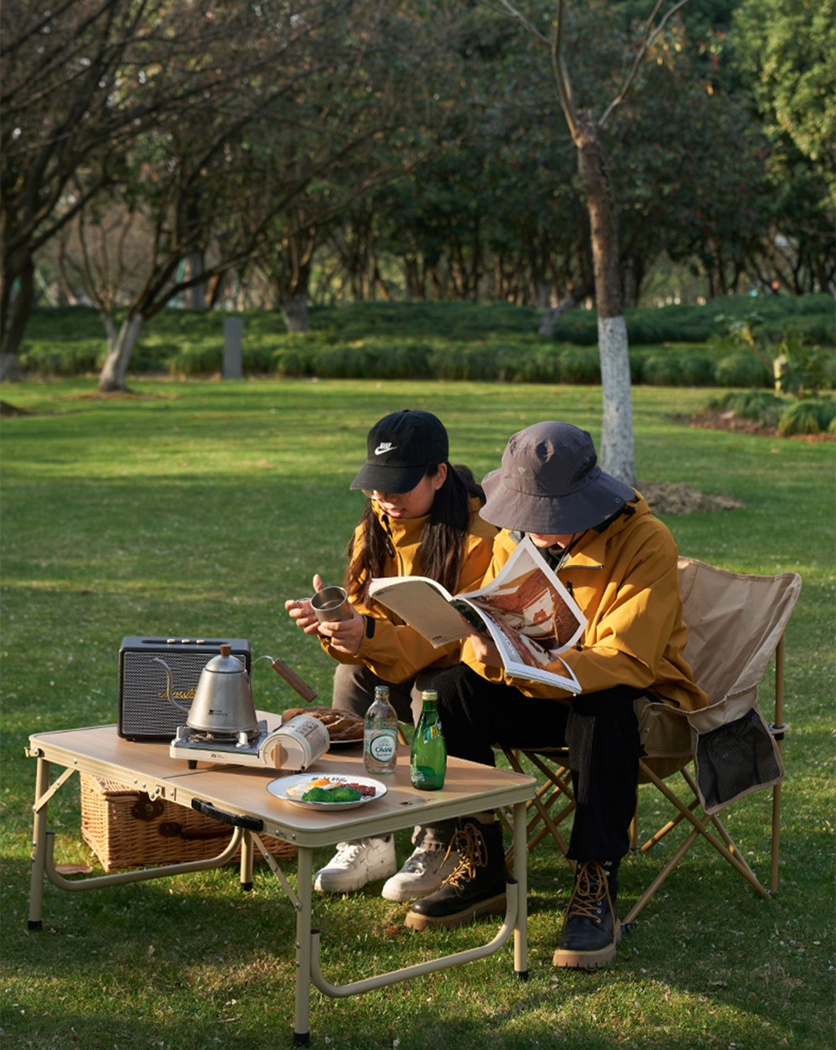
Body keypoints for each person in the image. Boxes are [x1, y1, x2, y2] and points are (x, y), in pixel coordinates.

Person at [403, 421, 709, 970]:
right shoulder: (513, 533)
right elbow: (498, 620)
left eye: (550, 518)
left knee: (602, 707)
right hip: (539, 690)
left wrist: (538, 664)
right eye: (527, 516)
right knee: (445, 691)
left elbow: (629, 658)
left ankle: (596, 879)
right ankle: (481, 858)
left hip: (635, 703)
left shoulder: (646, 540)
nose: (536, 530)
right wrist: (486, 650)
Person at [285, 409, 496, 900]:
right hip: (403, 661)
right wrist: (337, 625)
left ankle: (439, 840)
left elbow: (458, 635)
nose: (385, 497)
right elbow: (366, 621)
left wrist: (368, 635)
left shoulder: (482, 536)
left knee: (432, 693)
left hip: (468, 676)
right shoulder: (375, 526)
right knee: (351, 677)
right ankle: (367, 834)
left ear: (438, 474)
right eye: (376, 485)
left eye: (399, 485)